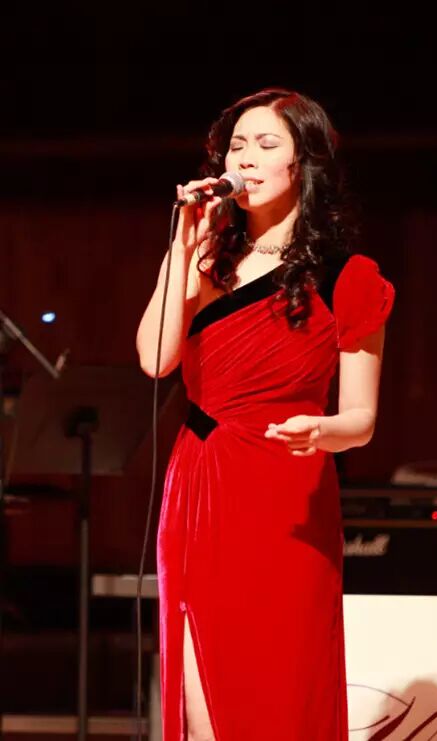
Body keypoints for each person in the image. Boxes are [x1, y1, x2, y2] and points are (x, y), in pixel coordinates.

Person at [136, 88, 395, 741]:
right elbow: (155, 359)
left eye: (265, 144)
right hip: (200, 483)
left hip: (285, 493)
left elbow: (361, 417)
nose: (245, 159)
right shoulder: (207, 259)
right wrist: (183, 245)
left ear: (302, 163)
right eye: (236, 146)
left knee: (279, 691)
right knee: (202, 702)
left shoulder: (348, 275)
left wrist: (322, 430)